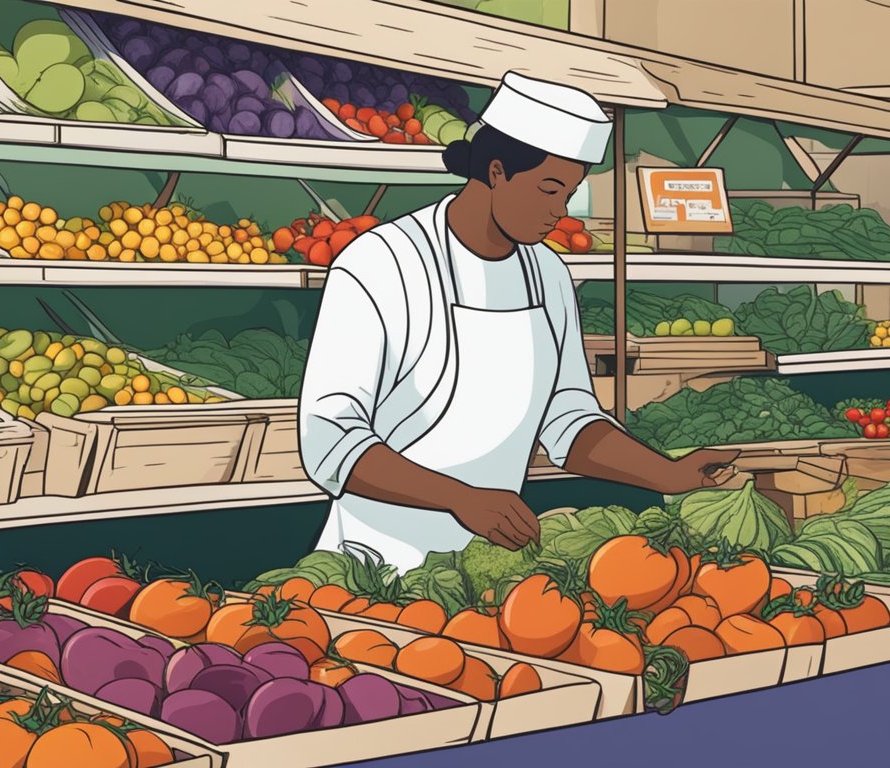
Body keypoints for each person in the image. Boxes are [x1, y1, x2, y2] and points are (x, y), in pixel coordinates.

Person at [299, 71, 737, 573]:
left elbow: (568, 419)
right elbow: (329, 437)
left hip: (488, 571)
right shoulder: (383, 262)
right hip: (374, 566)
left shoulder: (546, 273)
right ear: (497, 170)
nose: (559, 212)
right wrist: (459, 498)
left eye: (568, 194)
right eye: (549, 190)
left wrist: (668, 475)